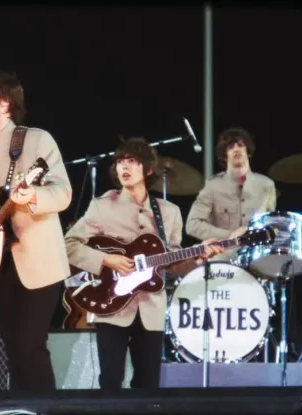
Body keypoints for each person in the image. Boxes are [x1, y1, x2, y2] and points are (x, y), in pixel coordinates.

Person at [64, 137, 225, 390]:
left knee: (148, 384)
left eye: (132, 162)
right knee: (110, 381)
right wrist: (107, 259)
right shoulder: (102, 205)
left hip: (151, 310)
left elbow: (172, 264)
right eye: (120, 162)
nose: (124, 167)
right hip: (111, 306)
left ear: (148, 169)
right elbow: (69, 244)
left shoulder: (169, 212)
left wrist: (197, 256)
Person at [0, 67, 72, 391]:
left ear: (6, 102)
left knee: (30, 345)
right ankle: (19, 408)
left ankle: (42, 409)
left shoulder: (36, 139)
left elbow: (63, 193)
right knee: (12, 348)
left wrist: (33, 195)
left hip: (38, 260)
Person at [186, 127, 276, 261]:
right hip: (221, 259)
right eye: (230, 147)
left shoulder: (266, 185)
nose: (236, 149)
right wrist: (230, 235)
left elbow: (270, 226)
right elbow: (192, 225)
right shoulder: (212, 185)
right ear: (224, 155)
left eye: (241, 145)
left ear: (248, 151)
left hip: (256, 259)